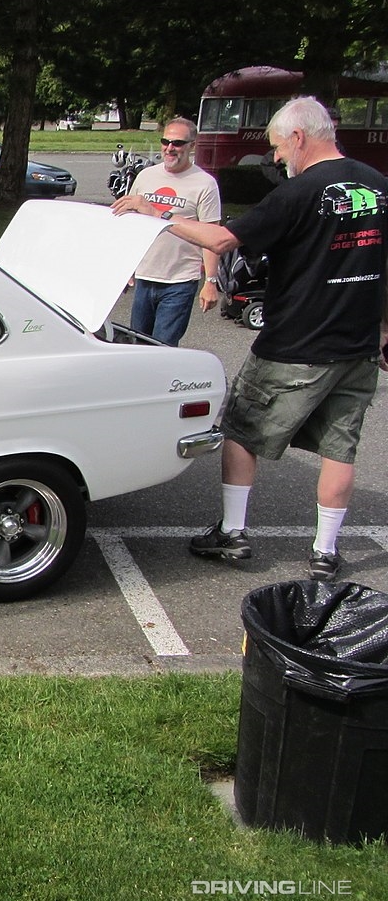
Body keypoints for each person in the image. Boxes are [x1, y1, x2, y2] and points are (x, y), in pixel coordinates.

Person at [113, 96, 388, 581]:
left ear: (299, 137)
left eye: (279, 147)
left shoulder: (299, 192)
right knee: (340, 448)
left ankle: (234, 533)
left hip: (294, 342)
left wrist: (150, 214)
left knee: (241, 429)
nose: (278, 158)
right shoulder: (378, 187)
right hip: (357, 346)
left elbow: (221, 240)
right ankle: (325, 552)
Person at [112, 118, 221, 345]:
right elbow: (130, 221)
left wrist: (210, 281)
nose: (170, 148)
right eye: (166, 141)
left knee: (163, 348)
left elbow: (211, 236)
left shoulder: (204, 184)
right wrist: (125, 266)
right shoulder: (146, 176)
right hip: (145, 277)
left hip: (179, 281)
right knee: (137, 345)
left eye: (178, 143)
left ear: (192, 145)